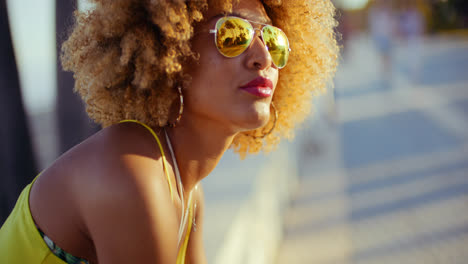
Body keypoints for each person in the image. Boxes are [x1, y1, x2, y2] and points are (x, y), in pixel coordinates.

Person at [0, 0, 338, 263]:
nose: (263, 57)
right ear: (171, 51)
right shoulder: (132, 173)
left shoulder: (186, 192)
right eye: (232, 35)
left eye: (274, 40)